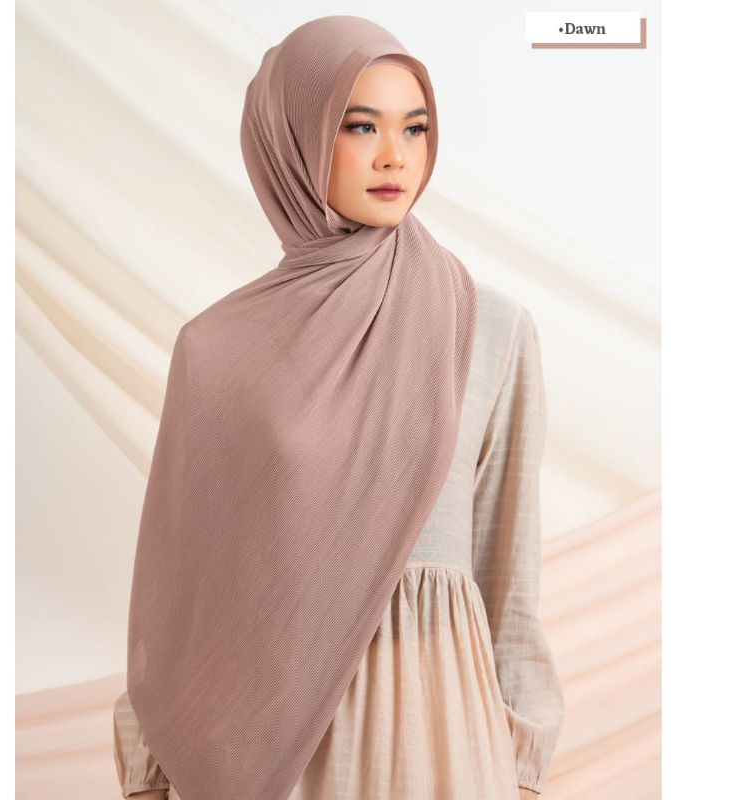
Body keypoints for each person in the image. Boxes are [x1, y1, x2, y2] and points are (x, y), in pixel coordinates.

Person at [113, 15, 565, 800]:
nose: (396, 155)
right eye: (360, 127)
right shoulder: (215, 350)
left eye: (414, 128)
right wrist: (151, 773)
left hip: (442, 745)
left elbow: (508, 580)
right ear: (293, 139)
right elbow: (178, 598)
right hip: (271, 752)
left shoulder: (490, 329)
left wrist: (521, 771)